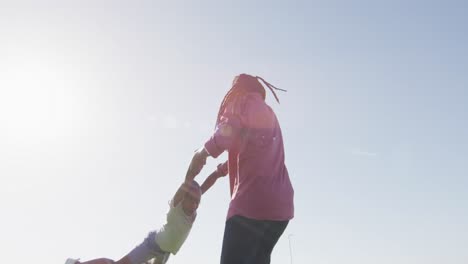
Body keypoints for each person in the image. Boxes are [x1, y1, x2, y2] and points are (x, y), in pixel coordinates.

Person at [187, 73, 295, 264]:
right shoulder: (269, 113)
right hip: (280, 210)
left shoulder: (241, 101)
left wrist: (202, 153)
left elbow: (227, 132)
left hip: (250, 204)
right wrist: (216, 176)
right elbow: (252, 152)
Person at [65, 175, 212, 264]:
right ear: (183, 197)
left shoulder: (192, 213)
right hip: (152, 245)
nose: (194, 204)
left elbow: (202, 188)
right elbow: (188, 181)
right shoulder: (176, 207)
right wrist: (195, 166)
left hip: (164, 253)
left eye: (197, 202)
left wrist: (218, 173)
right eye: (191, 200)